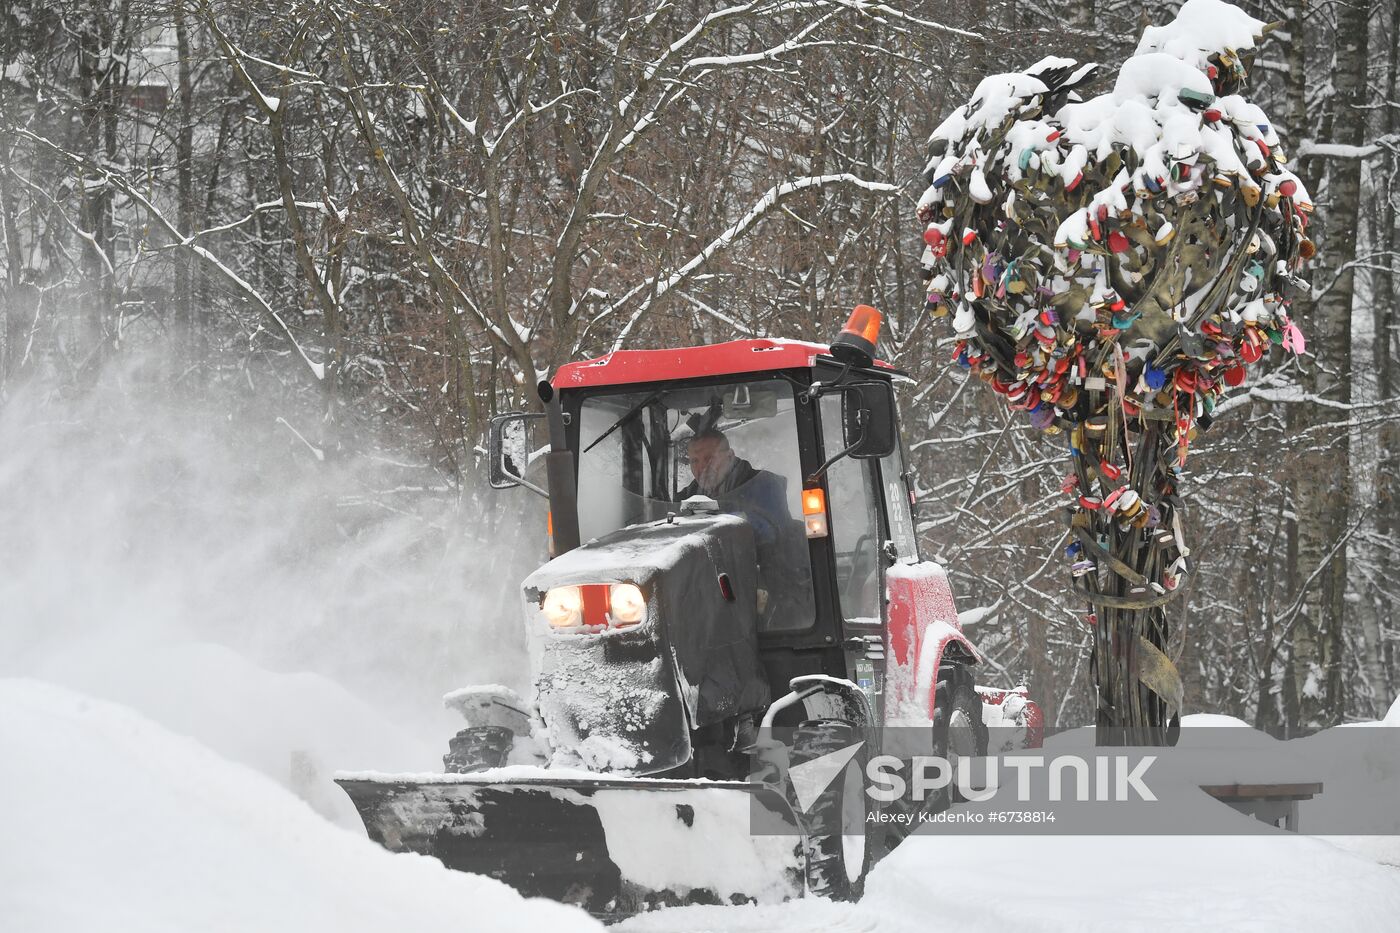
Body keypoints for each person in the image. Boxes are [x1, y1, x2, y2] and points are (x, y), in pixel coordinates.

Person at [679, 429, 807, 627]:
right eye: (694, 461)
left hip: (764, 580)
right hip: (707, 583)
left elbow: (768, 532)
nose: (701, 467)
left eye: (709, 458)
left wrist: (721, 521)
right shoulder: (686, 497)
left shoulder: (764, 485)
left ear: (730, 456)